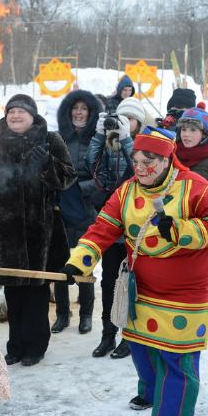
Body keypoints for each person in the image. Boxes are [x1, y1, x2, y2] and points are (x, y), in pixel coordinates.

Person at [62, 133, 208, 416]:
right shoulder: (127, 191)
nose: (140, 168)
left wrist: (180, 229)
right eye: (136, 162)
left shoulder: (193, 186)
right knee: (141, 345)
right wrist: (80, 261)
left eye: (147, 162)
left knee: (175, 355)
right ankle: (153, 392)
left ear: (166, 161)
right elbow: (104, 226)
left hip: (187, 287)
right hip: (144, 282)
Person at [0, 94, 77, 367]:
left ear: (32, 116)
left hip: (40, 229)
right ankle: (15, 346)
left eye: (21, 112)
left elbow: (68, 178)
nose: (15, 116)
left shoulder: (50, 140)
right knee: (13, 291)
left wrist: (47, 165)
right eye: (11, 112)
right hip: (5, 228)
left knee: (36, 291)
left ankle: (36, 346)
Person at [84, 97, 145, 359]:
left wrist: (127, 139)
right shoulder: (110, 145)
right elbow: (90, 164)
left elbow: (141, 169)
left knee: (133, 284)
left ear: (139, 123)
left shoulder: (147, 144)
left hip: (138, 229)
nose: (124, 124)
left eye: (130, 120)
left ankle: (130, 337)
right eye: (122, 119)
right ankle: (108, 334)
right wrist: (100, 135)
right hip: (113, 226)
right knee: (108, 282)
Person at [52, 89, 103, 334]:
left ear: (91, 113)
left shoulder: (99, 139)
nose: (79, 113)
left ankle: (86, 314)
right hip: (61, 209)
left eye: (84, 109)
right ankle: (62, 313)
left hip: (85, 208)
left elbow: (104, 177)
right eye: (75, 108)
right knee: (59, 262)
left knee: (84, 262)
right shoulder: (58, 137)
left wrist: (80, 189)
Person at [174, 106, 208, 180]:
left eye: (193, 130)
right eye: (184, 129)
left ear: (204, 134)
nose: (186, 134)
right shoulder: (170, 155)